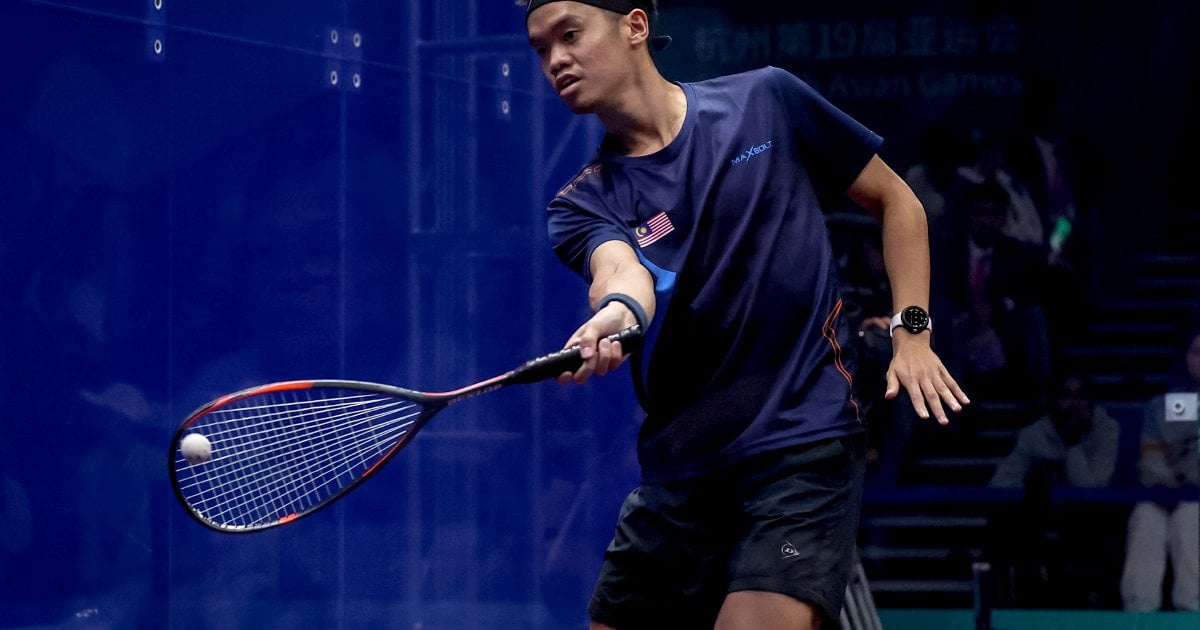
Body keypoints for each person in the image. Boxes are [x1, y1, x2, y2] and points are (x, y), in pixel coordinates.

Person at [521, 1, 969, 628]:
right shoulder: (582, 203)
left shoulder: (766, 100)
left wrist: (911, 333)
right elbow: (622, 273)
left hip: (800, 443)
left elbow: (898, 202)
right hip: (680, 470)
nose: (556, 60)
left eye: (570, 35)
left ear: (635, 26)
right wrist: (616, 315)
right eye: (542, 49)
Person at [1120, 331, 1200, 612]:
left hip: (1194, 498)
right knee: (1146, 515)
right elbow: (1151, 457)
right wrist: (1171, 486)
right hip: (1168, 493)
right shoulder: (1163, 406)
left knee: (1191, 516)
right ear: (1185, 358)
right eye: (1197, 353)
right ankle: (1140, 611)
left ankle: (1192, 608)